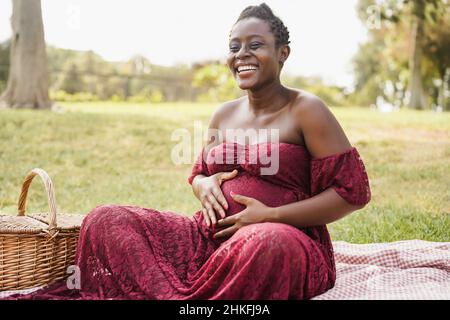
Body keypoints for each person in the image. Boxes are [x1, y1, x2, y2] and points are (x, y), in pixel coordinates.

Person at [5, 3, 371, 300]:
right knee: (105, 219)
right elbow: (198, 173)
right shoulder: (224, 113)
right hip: (205, 241)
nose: (242, 54)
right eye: (234, 46)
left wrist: (271, 215)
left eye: (255, 44)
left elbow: (350, 195)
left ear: (282, 52)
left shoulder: (306, 109)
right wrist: (203, 184)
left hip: (281, 239)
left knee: (267, 243)